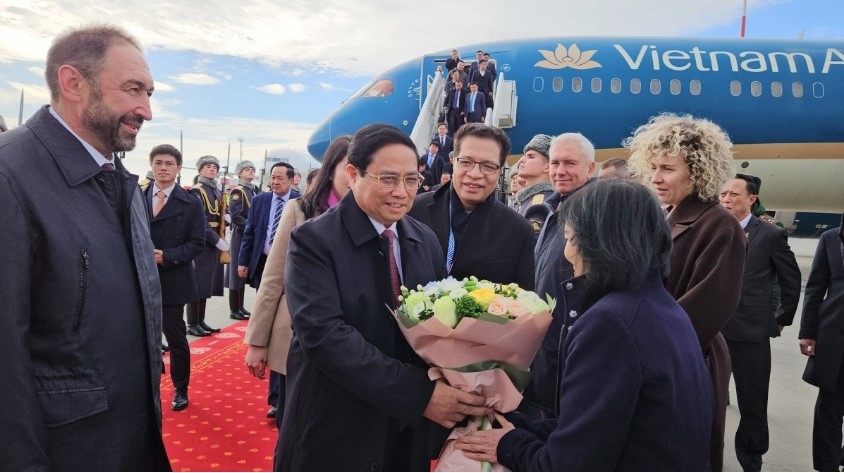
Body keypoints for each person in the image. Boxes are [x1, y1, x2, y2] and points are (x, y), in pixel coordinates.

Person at [0, 24, 170, 470]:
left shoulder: (119, 180)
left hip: (130, 439)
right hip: (66, 452)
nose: (146, 110)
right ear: (73, 83)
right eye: (133, 89)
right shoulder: (9, 176)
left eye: (149, 92)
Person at [454, 179, 713, 471]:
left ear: (598, 243)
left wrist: (507, 446)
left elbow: (570, 464)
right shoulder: (660, 307)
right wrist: (516, 423)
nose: (566, 253)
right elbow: (601, 425)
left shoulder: (610, 324)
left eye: (569, 238)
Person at [278, 124, 488, 471]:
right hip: (337, 423)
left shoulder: (423, 239)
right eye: (388, 179)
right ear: (352, 173)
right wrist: (420, 396)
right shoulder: (313, 241)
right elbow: (325, 337)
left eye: (411, 180)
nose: (402, 192)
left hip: (405, 430)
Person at [626, 112, 746, 471]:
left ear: (697, 170)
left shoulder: (719, 225)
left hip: (682, 361)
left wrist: (639, 350)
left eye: (667, 169)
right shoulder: (668, 215)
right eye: (653, 168)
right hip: (656, 357)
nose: (656, 178)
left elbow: (702, 312)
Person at [245, 136, 351, 425]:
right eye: (349, 167)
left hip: (348, 341)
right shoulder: (301, 210)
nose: (356, 176)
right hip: (295, 334)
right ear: (331, 169)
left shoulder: (372, 216)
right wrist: (256, 341)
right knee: (293, 423)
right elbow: (273, 278)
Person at [719, 174, 801, 471]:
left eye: (734, 194)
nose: (726, 199)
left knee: (752, 402)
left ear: (752, 199)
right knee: (705, 398)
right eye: (723, 194)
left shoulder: (769, 235)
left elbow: (791, 279)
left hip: (750, 332)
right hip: (711, 329)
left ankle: (751, 458)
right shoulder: (711, 230)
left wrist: (781, 319)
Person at [408, 123, 535, 289]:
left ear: (499, 171)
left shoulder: (518, 230)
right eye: (466, 162)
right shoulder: (412, 211)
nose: (475, 174)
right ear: (453, 161)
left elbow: (523, 302)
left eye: (488, 166)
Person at [526, 132, 596, 420]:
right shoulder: (553, 207)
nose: (560, 171)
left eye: (570, 163)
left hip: (572, 347)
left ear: (590, 168)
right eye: (555, 163)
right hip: (546, 345)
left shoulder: (593, 210)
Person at [145, 144, 206, 412]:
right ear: (151, 165)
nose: (163, 168)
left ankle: (180, 388)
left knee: (176, 337)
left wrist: (167, 256)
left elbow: (197, 243)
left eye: (169, 163)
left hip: (172, 279)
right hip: (141, 279)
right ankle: (146, 386)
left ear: (179, 168)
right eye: (158, 162)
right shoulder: (137, 196)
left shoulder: (190, 202)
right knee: (141, 337)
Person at [799, 215, 844, 472]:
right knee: (829, 405)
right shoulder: (830, 238)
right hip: (833, 336)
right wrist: (808, 332)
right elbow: (815, 287)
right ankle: (826, 467)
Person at [237, 162, 298, 290]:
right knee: (263, 302)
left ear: (291, 181)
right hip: (263, 261)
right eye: (273, 177)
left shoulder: (301, 202)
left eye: (280, 178)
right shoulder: (259, 200)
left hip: (289, 262)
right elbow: (249, 233)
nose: (275, 182)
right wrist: (243, 262)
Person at [187, 155, 229, 337]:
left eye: (215, 167)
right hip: (202, 241)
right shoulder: (198, 191)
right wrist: (215, 239)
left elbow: (217, 215)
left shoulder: (215, 190)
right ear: (200, 170)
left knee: (205, 285)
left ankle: (200, 320)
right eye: (208, 166)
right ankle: (192, 323)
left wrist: (226, 219)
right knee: (197, 284)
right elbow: (199, 220)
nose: (212, 169)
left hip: (212, 241)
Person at [226, 160, 259, 321]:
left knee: (243, 272)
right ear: (239, 173)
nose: (251, 172)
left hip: (248, 234)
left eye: (252, 169)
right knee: (236, 273)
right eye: (247, 169)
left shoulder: (252, 190)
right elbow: (236, 216)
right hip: (241, 235)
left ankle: (240, 306)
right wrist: (250, 228)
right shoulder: (239, 191)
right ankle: (234, 308)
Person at [512, 134, 554, 220]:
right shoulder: (527, 199)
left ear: (548, 166)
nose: (521, 160)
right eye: (524, 156)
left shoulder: (541, 202)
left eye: (531, 156)